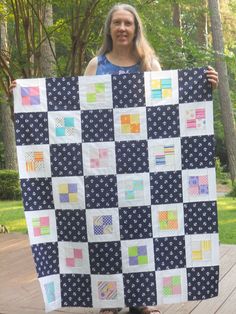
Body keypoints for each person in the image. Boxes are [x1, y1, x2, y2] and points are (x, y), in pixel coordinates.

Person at [10, 3, 219, 314]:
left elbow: (169, 110)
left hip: (144, 164)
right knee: (104, 231)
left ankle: (140, 301)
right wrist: (27, 95)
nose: (122, 28)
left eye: (128, 23)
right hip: (102, 165)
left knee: (141, 231)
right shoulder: (97, 66)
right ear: (109, 29)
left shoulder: (150, 67)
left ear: (136, 29)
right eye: (117, 23)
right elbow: (75, 112)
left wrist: (204, 86)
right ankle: (108, 298)